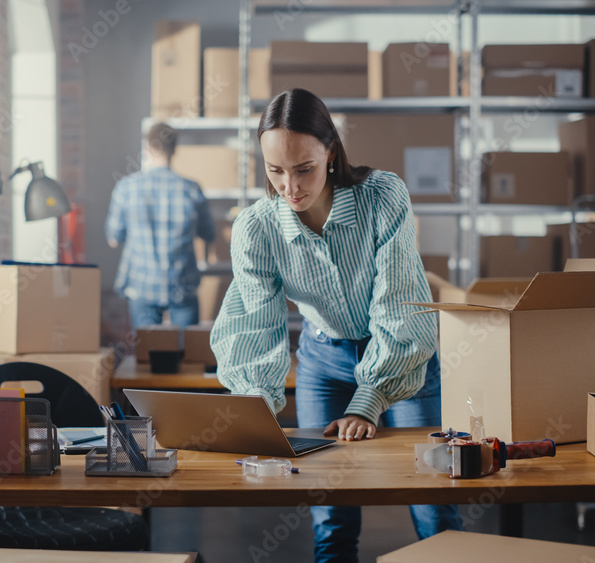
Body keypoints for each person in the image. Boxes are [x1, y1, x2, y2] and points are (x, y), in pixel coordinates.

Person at [210, 88, 463, 562]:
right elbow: (254, 327)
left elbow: (400, 303)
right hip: (324, 363)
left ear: (330, 151)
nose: (289, 186)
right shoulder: (257, 228)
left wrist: (369, 400)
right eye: (274, 170)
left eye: (303, 168)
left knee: (434, 502)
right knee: (331, 515)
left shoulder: (381, 197)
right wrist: (257, 418)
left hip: (405, 359)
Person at [105, 122, 216, 330]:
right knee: (188, 356)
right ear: (174, 150)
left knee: (148, 357)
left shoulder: (126, 188)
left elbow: (113, 239)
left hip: (142, 285)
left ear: (147, 149)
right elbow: (209, 234)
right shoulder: (192, 189)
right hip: (182, 285)